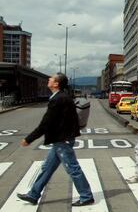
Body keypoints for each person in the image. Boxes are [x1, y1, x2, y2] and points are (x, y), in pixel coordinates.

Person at [17, 73, 94, 206]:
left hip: (62, 140)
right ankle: (33, 195)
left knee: (73, 168)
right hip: (62, 139)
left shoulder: (58, 99)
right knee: (47, 168)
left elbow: (45, 124)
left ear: (56, 84)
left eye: (51, 78)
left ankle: (86, 196)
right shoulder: (62, 98)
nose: (49, 79)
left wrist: (29, 139)